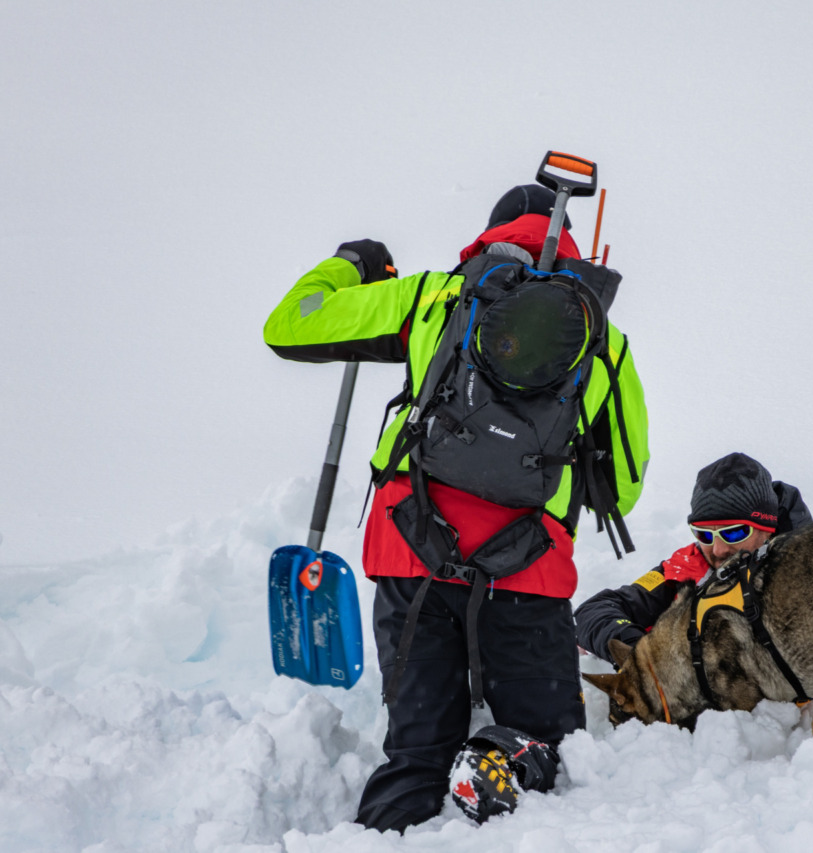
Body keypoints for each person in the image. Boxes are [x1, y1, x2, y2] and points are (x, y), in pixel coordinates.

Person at [263, 182, 649, 832]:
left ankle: (387, 828)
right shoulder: (599, 336)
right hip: (528, 572)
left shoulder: (436, 295)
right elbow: (626, 483)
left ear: (490, 234)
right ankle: (496, 753)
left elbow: (290, 324)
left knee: (414, 753)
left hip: (410, 550)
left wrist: (354, 263)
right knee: (550, 747)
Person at [575, 452, 808, 664]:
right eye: (705, 534)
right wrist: (640, 651)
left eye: (734, 532)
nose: (717, 549)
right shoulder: (689, 566)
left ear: (767, 528)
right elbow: (596, 610)